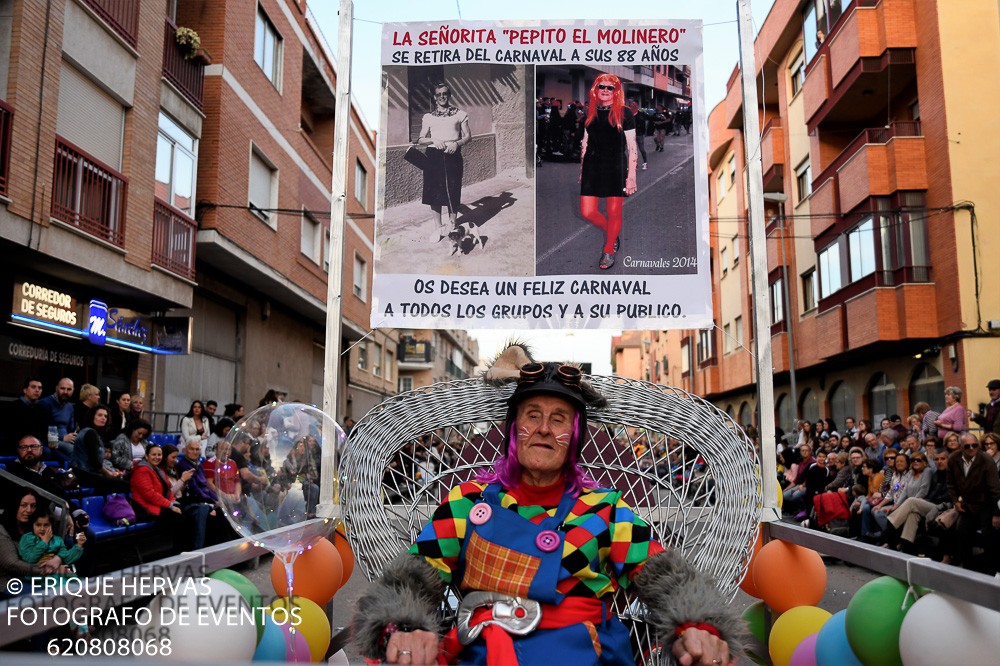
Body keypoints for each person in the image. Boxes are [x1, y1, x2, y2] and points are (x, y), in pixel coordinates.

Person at [352, 345, 738, 665]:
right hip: (486, 654)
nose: (543, 428)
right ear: (513, 430)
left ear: (574, 437)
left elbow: (669, 579)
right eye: (532, 416)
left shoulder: (603, 510)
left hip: (587, 654)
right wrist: (400, 628)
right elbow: (412, 579)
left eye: (559, 419)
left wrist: (699, 627)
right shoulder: (467, 502)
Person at [578, 73, 638, 271]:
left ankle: (608, 249)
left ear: (616, 91)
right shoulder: (591, 112)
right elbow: (585, 143)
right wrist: (581, 170)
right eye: (601, 86)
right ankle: (612, 233)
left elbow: (632, 147)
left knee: (614, 211)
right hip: (592, 165)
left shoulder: (624, 113)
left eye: (610, 87)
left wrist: (631, 178)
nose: (605, 90)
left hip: (615, 166)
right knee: (587, 211)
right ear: (596, 89)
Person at [415, 82, 474, 246]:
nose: (442, 96)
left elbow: (468, 136)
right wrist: (433, 139)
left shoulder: (460, 114)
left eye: (445, 93)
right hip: (433, 155)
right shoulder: (428, 117)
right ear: (435, 97)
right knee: (433, 191)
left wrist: (457, 143)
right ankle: (437, 227)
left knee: (453, 190)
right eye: (439, 94)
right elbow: (420, 139)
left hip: (452, 154)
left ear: (449, 95)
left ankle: (452, 224)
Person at [944, 432, 1000, 569]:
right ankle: (968, 568)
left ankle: (991, 572)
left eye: (974, 445)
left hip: (986, 505)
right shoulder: (953, 459)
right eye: (967, 446)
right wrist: (955, 501)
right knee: (961, 533)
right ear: (961, 447)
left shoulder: (986, 460)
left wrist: (997, 514)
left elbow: (995, 490)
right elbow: (950, 484)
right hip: (967, 505)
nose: (971, 448)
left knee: (988, 537)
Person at [71, 404, 129, 492]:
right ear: (92, 416)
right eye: (99, 415)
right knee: (126, 485)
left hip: (87, 473)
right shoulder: (91, 433)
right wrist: (108, 473)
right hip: (85, 475)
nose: (103, 418)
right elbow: (94, 462)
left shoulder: (89, 432)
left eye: (105, 416)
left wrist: (110, 470)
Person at [37, 377, 77, 465]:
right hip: (50, 441)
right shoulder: (45, 403)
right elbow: (42, 430)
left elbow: (71, 428)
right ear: (56, 388)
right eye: (63, 388)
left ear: (73, 390)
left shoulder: (70, 407)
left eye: (69, 389)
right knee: (74, 452)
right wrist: (62, 438)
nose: (65, 392)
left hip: (65, 441)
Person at [3, 376, 47, 455]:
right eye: (33, 387)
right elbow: (9, 433)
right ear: (25, 390)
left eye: (40, 388)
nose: (37, 390)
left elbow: (43, 432)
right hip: (17, 444)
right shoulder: (12, 407)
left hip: (36, 443)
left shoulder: (41, 409)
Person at [628, 100, 648, 170]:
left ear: (636, 107)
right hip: (631, 134)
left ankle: (645, 163)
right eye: (630, 106)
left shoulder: (641, 114)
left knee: (641, 149)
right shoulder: (628, 114)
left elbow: (649, 119)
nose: (631, 107)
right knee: (632, 150)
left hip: (639, 134)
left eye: (633, 106)